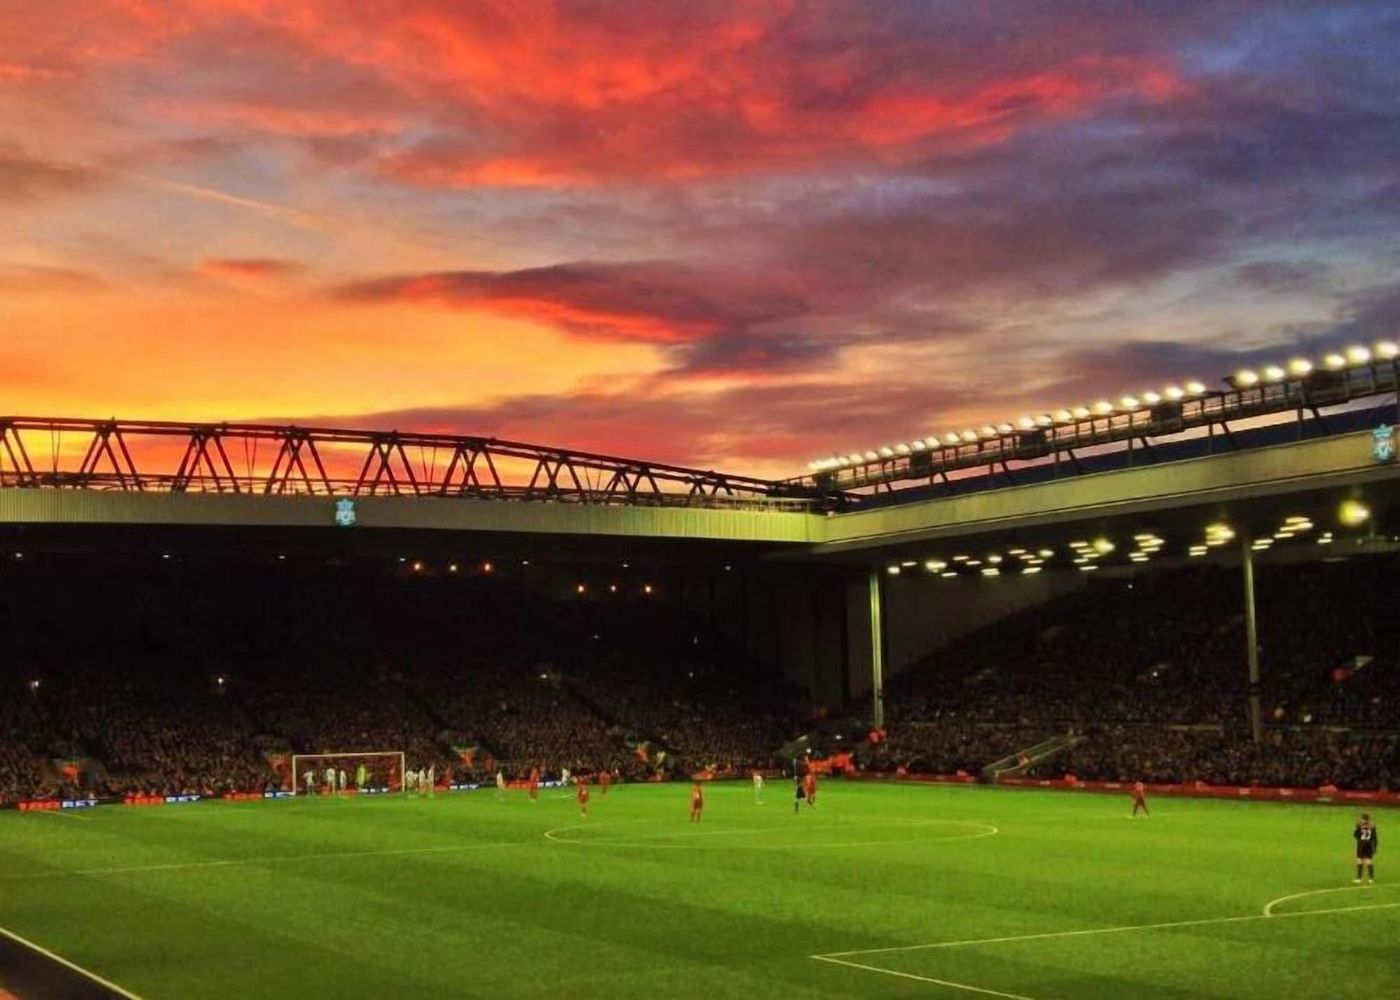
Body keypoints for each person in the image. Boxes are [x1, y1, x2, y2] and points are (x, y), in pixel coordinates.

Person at [1355, 813, 1378, 884]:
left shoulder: (1359, 826)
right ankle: (1371, 879)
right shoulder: (1372, 827)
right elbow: (1375, 838)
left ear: (1362, 819)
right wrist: (1375, 847)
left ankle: (1359, 879)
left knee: (1360, 861)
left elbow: (1355, 835)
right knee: (1369, 861)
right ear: (1368, 819)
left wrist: (1357, 829)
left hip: (1361, 845)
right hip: (1369, 845)